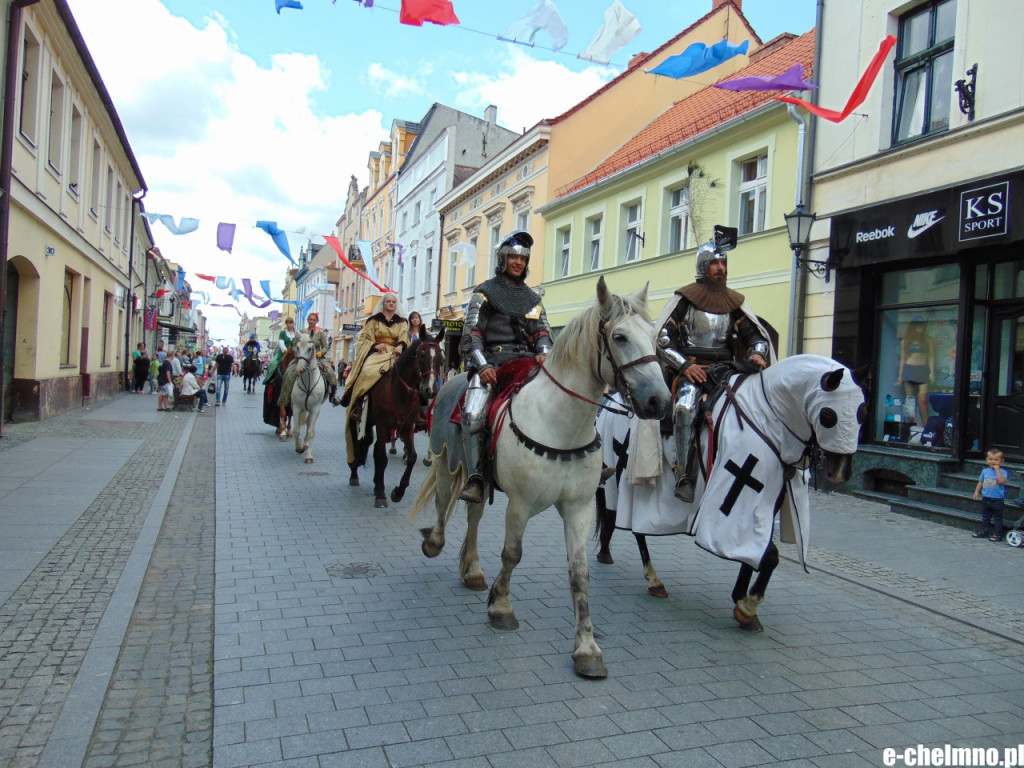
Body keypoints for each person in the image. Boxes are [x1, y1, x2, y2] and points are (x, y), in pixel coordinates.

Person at [656, 228, 773, 502]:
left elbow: (755, 336)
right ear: (703, 266)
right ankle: (684, 474)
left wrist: (758, 352)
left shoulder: (734, 303)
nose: (720, 268)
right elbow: (663, 339)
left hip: (726, 370)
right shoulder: (685, 301)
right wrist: (684, 366)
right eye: (715, 263)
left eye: (723, 264)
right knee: (685, 408)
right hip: (692, 371)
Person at [457, 230, 552, 503]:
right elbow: (471, 333)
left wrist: (544, 352)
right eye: (513, 257)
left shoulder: (532, 299)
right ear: (503, 259)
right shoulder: (485, 293)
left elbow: (541, 332)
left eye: (522, 259)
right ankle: (475, 477)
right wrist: (483, 364)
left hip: (527, 363)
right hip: (493, 365)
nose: (518, 262)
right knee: (473, 415)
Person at [339, 296, 408, 412]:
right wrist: (374, 345)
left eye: (394, 302)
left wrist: (400, 346)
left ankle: (417, 406)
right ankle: (358, 402)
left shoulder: (402, 322)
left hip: (395, 352)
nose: (391, 304)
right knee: (366, 371)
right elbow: (365, 338)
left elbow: (404, 336)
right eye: (388, 301)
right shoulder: (374, 320)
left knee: (411, 372)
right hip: (377, 352)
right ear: (383, 303)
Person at [279, 312, 340, 408]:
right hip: (302, 358)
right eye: (310, 319)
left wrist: (322, 352)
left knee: (331, 373)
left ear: (316, 321)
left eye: (313, 320)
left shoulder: (320, 334)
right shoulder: (301, 332)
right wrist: (297, 353)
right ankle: (285, 397)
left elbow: (325, 346)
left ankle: (333, 396)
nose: (311, 321)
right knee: (289, 373)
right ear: (307, 320)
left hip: (317, 359)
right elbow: (294, 344)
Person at [897, 316, 936, 425]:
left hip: (923, 369)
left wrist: (932, 372)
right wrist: (900, 375)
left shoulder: (928, 340)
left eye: (923, 325)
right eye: (919, 325)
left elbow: (931, 357)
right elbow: (903, 358)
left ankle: (926, 427)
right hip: (909, 369)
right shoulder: (905, 341)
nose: (922, 328)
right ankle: (909, 427)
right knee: (909, 400)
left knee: (922, 400)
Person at [972, 448, 1010, 541]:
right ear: (987, 460)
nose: (993, 461)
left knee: (997, 518)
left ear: (1001, 461)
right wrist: (976, 492)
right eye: (990, 459)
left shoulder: (1003, 472)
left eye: (996, 460)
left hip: (997, 499)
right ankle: (984, 531)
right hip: (986, 498)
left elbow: (1001, 481)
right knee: (985, 517)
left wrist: (997, 470)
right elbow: (980, 482)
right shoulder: (985, 471)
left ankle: (998, 534)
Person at [263, 317, 296, 383]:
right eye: (288, 323)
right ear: (286, 324)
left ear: (293, 323)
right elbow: (281, 343)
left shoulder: (297, 333)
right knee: (272, 363)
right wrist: (285, 351)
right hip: (283, 353)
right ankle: (270, 379)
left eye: (291, 323)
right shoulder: (282, 333)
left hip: (295, 353)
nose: (289, 325)